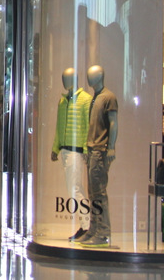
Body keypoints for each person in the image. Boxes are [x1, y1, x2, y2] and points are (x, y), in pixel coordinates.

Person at [50, 67, 92, 242]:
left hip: (77, 150)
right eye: (63, 78)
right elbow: (59, 126)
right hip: (66, 150)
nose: (64, 81)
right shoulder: (63, 101)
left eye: (67, 78)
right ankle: (86, 225)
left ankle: (86, 226)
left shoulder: (85, 100)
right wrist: (56, 148)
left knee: (75, 188)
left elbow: (88, 126)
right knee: (74, 188)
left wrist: (86, 149)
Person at [78, 65, 117, 248]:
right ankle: (94, 229)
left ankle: (103, 233)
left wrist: (111, 148)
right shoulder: (96, 97)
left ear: (100, 76)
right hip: (92, 149)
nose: (89, 78)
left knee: (99, 192)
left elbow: (113, 123)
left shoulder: (108, 97)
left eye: (91, 75)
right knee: (93, 193)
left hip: (100, 150)